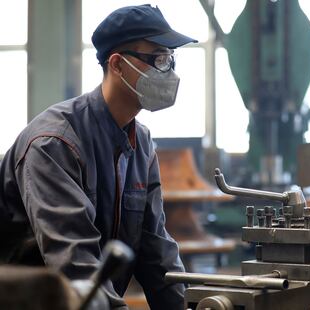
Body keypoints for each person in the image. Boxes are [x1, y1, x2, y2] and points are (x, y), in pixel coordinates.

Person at [0, 4, 197, 310]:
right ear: (117, 65)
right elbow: (75, 263)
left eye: (171, 60)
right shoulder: (55, 144)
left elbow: (156, 252)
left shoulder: (141, 143)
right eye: (158, 59)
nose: (168, 72)